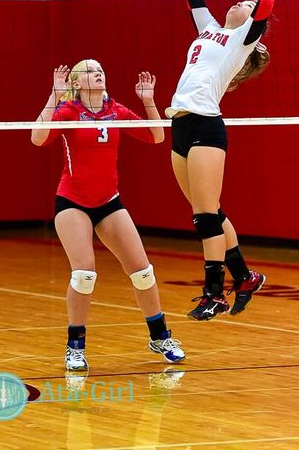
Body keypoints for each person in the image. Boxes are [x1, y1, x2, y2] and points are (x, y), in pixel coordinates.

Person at [31, 59, 185, 371]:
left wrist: (148, 101)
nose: (98, 72)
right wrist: (54, 97)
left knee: (143, 272)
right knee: (84, 273)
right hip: (72, 201)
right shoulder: (69, 112)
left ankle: (160, 337)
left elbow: (156, 136)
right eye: (89, 70)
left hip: (108, 202)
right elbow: (37, 137)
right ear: (76, 81)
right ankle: (75, 346)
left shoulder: (116, 110)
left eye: (100, 68)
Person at [166, 0, 275, 321]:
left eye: (247, 5)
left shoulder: (242, 40)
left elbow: (267, 2)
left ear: (251, 20)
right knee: (207, 209)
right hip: (179, 124)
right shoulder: (209, 28)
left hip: (206, 127)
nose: (240, 3)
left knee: (205, 217)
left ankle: (214, 294)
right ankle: (244, 276)